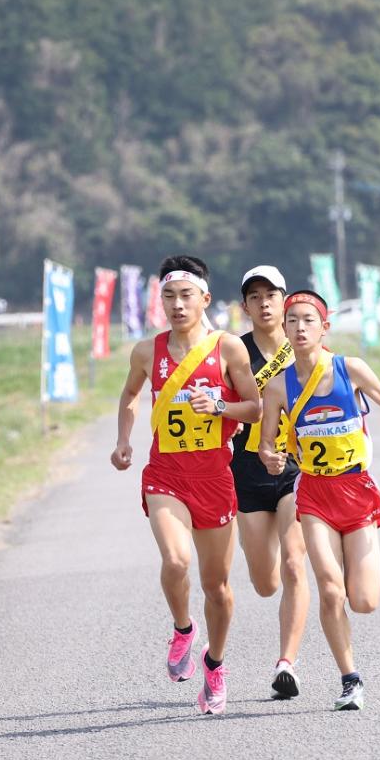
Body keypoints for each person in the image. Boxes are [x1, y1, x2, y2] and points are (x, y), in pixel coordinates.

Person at [110, 255, 262, 715]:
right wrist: (122, 440)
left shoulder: (229, 348)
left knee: (217, 587)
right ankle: (182, 629)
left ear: (205, 300)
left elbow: (254, 408)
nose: (177, 305)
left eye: (186, 296)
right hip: (165, 475)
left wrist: (219, 407)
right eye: (169, 297)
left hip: (214, 478)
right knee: (176, 560)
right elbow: (131, 395)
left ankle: (214, 663)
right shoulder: (146, 351)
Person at [258, 290, 380, 711]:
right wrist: (271, 458)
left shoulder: (351, 369)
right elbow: (266, 444)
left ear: (324, 327)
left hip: (356, 491)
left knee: (364, 601)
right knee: (330, 591)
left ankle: (354, 569)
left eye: (309, 320)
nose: (300, 327)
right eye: (292, 321)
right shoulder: (278, 385)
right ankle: (350, 679)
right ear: (285, 330)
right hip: (314, 495)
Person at [230, 266, 308, 699]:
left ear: (284, 300)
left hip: (296, 473)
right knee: (266, 582)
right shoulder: (233, 354)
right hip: (245, 474)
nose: (263, 303)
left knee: (296, 562)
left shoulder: (305, 350)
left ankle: (286, 664)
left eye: (271, 295)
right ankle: (266, 555)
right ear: (245, 306)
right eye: (254, 296)